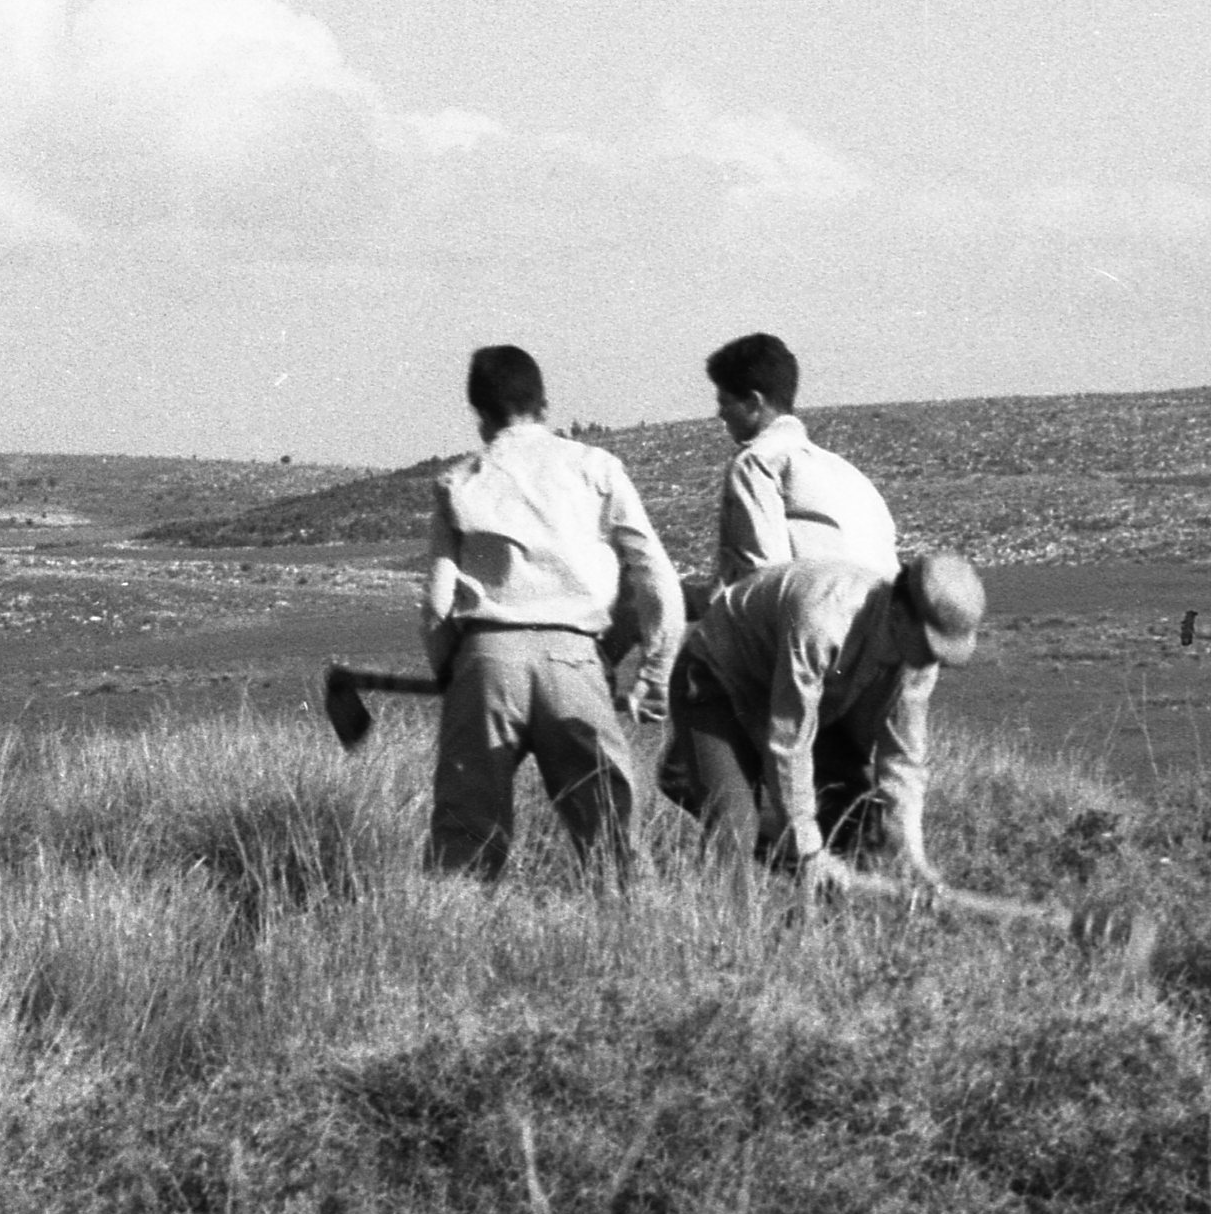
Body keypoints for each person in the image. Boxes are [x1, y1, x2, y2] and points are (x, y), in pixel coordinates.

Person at [420, 345, 682, 880]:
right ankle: (635, 938)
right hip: (573, 659)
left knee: (464, 836)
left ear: (478, 413)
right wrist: (655, 675)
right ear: (544, 402)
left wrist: (453, 673)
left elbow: (436, 606)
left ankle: (449, 939)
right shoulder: (596, 468)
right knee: (611, 830)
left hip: (486, 658)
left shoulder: (459, 481)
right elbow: (655, 575)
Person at [660, 547, 987, 893]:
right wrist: (809, 850)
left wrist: (912, 857)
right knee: (735, 824)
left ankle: (816, 915)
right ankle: (730, 932)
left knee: (857, 822)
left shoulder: (918, 663)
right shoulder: (824, 619)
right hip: (719, 679)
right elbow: (789, 740)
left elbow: (903, 760)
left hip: (793, 698)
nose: (931, 660)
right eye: (929, 645)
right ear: (900, 612)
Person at [700, 329, 900, 599]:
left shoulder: (757, 462)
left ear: (754, 402)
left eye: (725, 402)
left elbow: (762, 576)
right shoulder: (850, 474)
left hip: (814, 620)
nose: (720, 413)